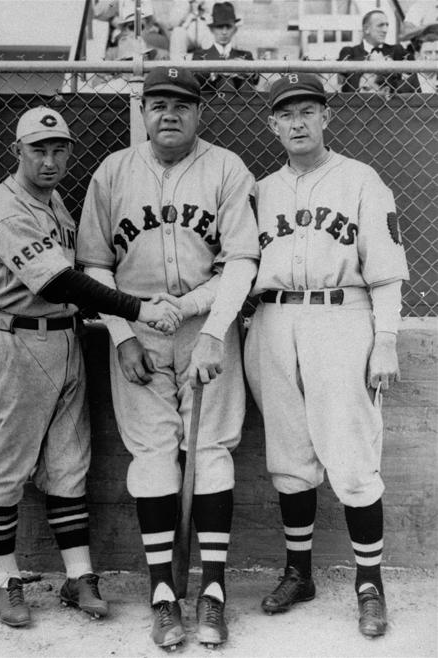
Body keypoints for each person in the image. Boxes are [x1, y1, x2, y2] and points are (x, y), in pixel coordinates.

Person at [0, 106, 182, 628]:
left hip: (65, 342)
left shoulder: (55, 199)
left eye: (59, 149)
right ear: (16, 151)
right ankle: (5, 580)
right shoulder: (4, 207)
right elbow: (59, 282)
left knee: (68, 465)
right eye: (38, 149)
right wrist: (137, 307)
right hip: (12, 340)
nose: (50, 160)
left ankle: (78, 576)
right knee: (2, 470)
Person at [76, 67, 260, 649]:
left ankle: (213, 592)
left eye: (181, 104)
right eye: (157, 103)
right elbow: (93, 265)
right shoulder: (113, 172)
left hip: (207, 326)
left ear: (200, 111)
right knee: (152, 454)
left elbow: (242, 261)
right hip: (136, 331)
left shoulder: (226, 167)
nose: (168, 114)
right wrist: (122, 332)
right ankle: (162, 594)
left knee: (211, 450)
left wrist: (212, 328)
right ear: (143, 110)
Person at [244, 74, 409, 638]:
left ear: (325, 117)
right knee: (288, 454)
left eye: (307, 111)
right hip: (271, 319)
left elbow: (386, 271)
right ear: (272, 123)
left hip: (342, 316)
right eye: (285, 114)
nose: (296, 123)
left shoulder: (361, 179)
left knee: (352, 453)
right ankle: (299, 573)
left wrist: (385, 337)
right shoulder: (260, 191)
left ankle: (370, 584)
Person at [192, 2, 259, 91]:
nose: (224, 32)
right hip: (211, 102)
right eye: (219, 27)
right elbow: (196, 79)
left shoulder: (245, 55)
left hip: (241, 102)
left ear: (234, 29)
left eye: (228, 27)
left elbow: (256, 80)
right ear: (212, 29)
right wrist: (219, 71)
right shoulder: (200, 55)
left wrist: (248, 72)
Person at [338, 10, 407, 92]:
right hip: (356, 102)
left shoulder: (397, 50)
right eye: (380, 25)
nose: (385, 30)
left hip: (389, 102)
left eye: (387, 25)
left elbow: (411, 76)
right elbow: (344, 73)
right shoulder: (349, 52)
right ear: (366, 29)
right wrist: (374, 61)